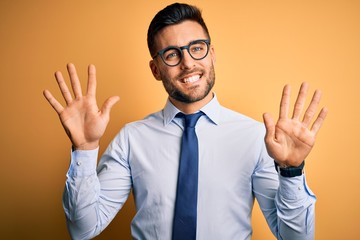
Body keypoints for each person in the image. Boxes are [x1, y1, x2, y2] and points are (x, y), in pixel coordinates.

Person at [43, 3, 328, 240]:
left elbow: (295, 238)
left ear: (212, 53)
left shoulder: (255, 138)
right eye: (172, 54)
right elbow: (83, 228)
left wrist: (291, 171)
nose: (188, 63)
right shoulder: (132, 139)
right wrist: (85, 148)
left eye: (197, 48)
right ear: (156, 69)